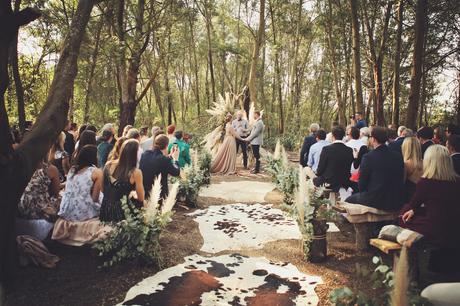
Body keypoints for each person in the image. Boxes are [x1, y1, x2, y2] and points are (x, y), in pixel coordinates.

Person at [400, 145, 460, 249]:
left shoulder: (425, 183)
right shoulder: (457, 181)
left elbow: (413, 204)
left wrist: (412, 210)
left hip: (435, 230)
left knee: (404, 214)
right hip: (455, 226)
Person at [52, 145, 107, 245]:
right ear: (94, 157)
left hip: (66, 210)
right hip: (82, 214)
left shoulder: (72, 169)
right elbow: (95, 198)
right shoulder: (97, 172)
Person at [346, 127, 405, 211]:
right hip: (395, 199)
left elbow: (361, 185)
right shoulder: (397, 155)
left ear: (373, 139)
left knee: (348, 200)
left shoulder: (368, 157)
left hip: (376, 200)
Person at [100, 139, 145, 222]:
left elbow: (102, 189)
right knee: (140, 205)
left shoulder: (108, 164)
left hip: (105, 209)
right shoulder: (135, 172)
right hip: (122, 214)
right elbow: (141, 198)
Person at [17, 160, 61, 240]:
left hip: (19, 211)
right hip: (39, 214)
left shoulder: (18, 166)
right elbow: (55, 193)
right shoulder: (51, 169)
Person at [313, 126, 353, 191]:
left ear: (332, 136)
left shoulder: (326, 149)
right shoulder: (349, 150)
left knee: (314, 180)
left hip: (329, 182)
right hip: (344, 182)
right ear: (343, 136)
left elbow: (320, 170)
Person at [140, 135, 181, 199]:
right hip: (159, 195)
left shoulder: (145, 154)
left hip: (145, 191)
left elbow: (157, 161)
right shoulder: (164, 160)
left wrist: (170, 156)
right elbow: (176, 172)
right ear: (166, 146)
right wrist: (176, 159)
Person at [401, 137, 423, 202]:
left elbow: (402, 183)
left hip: (409, 197)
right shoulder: (426, 162)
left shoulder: (406, 164)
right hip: (422, 196)